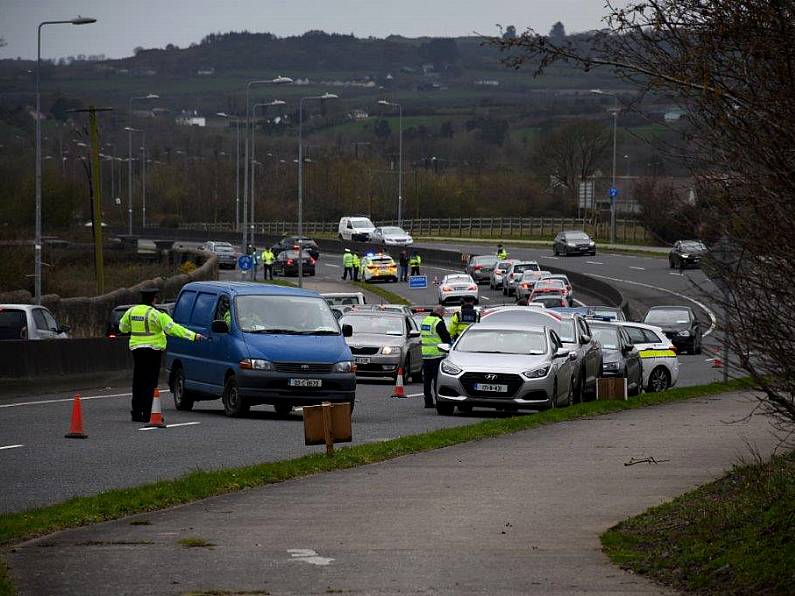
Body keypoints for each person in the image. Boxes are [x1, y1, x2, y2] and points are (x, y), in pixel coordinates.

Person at [119, 287, 205, 422]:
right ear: (154, 299)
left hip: (136, 350)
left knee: (138, 381)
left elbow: (122, 328)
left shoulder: (131, 312)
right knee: (150, 383)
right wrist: (194, 336)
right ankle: (148, 414)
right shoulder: (156, 314)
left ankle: (136, 413)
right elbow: (173, 329)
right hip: (153, 351)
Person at [420, 306, 453, 409]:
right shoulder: (438, 322)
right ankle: (439, 401)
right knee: (437, 380)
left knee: (427, 381)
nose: (443, 314)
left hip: (426, 355)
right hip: (437, 355)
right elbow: (446, 337)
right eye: (443, 313)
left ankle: (428, 402)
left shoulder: (425, 321)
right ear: (440, 312)